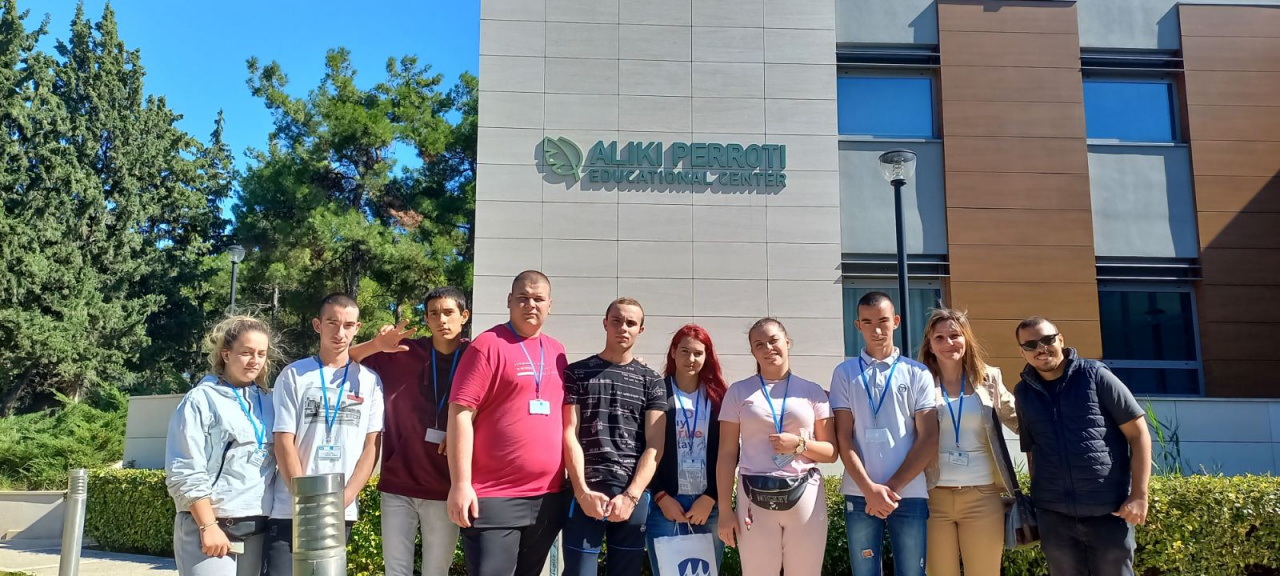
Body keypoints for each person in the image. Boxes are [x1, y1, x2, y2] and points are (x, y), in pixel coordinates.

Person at [447, 270, 569, 576]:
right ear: (509, 301)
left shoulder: (557, 351)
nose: (531, 304)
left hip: (547, 498)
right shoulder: (487, 345)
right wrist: (460, 484)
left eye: (538, 298)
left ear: (550, 304)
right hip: (494, 496)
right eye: (522, 298)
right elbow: (460, 414)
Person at [1013, 317, 1151, 576]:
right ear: (1022, 352)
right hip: (1054, 517)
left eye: (1047, 340)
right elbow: (1033, 451)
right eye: (1030, 345)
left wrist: (1139, 496)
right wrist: (1040, 505)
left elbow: (1139, 434)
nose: (1041, 349)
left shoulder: (1095, 375)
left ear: (1061, 340)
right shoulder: (1023, 392)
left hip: (1108, 511)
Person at [348, 287, 471, 576]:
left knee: (436, 571)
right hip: (398, 484)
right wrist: (377, 344)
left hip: (444, 487)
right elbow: (347, 359)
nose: (442, 320)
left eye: (449, 312)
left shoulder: (476, 356)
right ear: (426, 319)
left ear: (464, 316)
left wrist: (462, 433)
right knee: (396, 571)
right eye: (434, 314)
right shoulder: (403, 352)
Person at [266, 293, 385, 576]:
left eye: (348, 325)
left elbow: (372, 447)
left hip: (338, 512)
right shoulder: (294, 375)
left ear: (357, 328)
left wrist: (344, 499)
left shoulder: (369, 381)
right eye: (332, 323)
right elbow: (283, 441)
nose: (340, 332)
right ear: (317, 325)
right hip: (291, 510)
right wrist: (304, 499)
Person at [717, 318, 837, 576]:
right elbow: (727, 454)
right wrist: (725, 510)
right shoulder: (738, 392)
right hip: (754, 497)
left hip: (804, 494)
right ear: (752, 351)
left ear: (788, 342)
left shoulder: (812, 391)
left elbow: (831, 452)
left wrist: (799, 445)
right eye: (759, 344)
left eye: (774, 340)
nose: (768, 348)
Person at [830, 292, 938, 576]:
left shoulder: (917, 373)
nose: (876, 330)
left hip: (909, 492)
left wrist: (891, 489)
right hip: (859, 493)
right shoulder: (844, 373)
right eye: (867, 322)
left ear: (896, 321)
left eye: (883, 321)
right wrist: (870, 490)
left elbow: (928, 437)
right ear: (858, 325)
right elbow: (844, 437)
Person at [561, 297, 667, 576]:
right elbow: (569, 433)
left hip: (632, 496)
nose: (623, 328)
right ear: (605, 323)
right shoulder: (576, 373)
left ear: (640, 329)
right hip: (585, 493)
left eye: (631, 323)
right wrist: (582, 492)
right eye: (617, 321)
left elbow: (655, 446)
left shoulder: (652, 381)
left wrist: (631, 496)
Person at [166, 316, 277, 576]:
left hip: (257, 528)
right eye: (246, 352)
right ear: (226, 354)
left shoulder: (271, 401)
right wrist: (208, 526)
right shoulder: (201, 400)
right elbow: (184, 468)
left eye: (261, 354)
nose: (255, 360)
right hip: (211, 527)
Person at [917, 308, 1019, 576]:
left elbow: (1021, 420)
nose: (948, 343)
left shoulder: (989, 378)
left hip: (982, 496)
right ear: (930, 344)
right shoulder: (919, 382)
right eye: (939, 337)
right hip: (932, 497)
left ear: (966, 338)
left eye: (955, 335)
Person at [646, 325, 727, 576]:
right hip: (666, 505)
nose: (690, 359)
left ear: (707, 356)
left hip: (707, 507)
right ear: (673, 352)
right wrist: (661, 496)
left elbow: (729, 451)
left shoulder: (718, 397)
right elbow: (645, 448)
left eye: (698, 353)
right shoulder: (656, 392)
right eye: (684, 351)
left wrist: (711, 497)